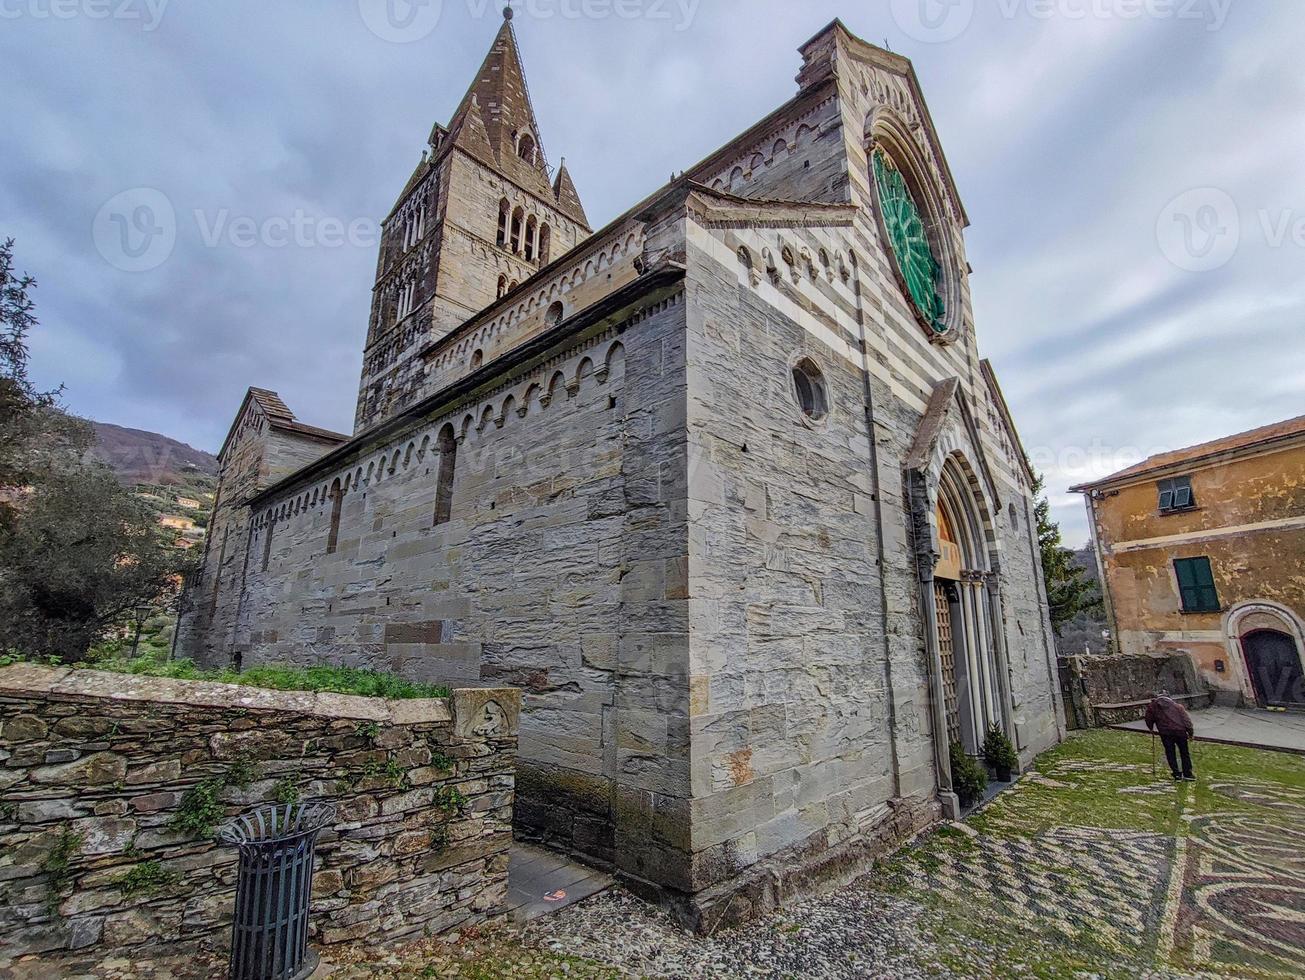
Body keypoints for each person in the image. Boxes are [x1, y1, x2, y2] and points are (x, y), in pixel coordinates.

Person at [1144, 692, 1196, 782]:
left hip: (1166, 733)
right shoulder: (1178, 707)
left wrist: (1151, 728)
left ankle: (1176, 774)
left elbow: (1148, 718)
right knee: (1184, 753)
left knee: (1170, 753)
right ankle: (1188, 774)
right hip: (1180, 732)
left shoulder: (1152, 706)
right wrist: (1190, 733)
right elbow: (1187, 721)